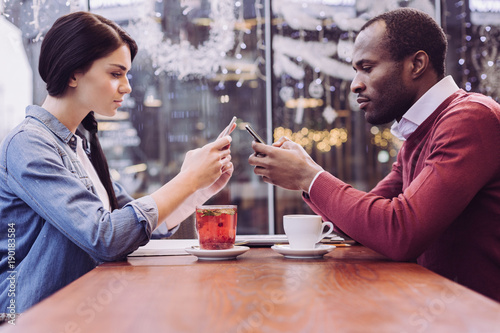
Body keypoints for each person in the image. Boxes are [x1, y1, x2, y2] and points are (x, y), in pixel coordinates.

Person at [249, 8, 500, 302]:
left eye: (367, 68)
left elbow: (400, 233)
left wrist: (309, 176)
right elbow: (365, 228)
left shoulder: (470, 118)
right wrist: (306, 174)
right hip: (435, 307)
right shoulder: (417, 134)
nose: (355, 83)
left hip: (478, 316)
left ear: (416, 64)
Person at [0, 11, 235, 314]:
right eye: (115, 74)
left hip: (79, 311)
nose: (126, 87)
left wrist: (198, 189)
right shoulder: (29, 144)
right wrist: (187, 179)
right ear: (73, 73)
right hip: (32, 318)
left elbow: (128, 226)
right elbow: (106, 237)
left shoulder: (78, 146)